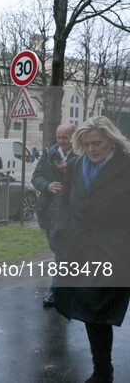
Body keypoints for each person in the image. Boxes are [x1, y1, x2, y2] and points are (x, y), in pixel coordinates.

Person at [52, 116, 130, 383]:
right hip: (80, 246)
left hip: (114, 248)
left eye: (97, 143)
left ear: (111, 140)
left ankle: (102, 370)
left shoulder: (126, 166)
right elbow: (65, 202)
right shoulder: (76, 164)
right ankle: (103, 369)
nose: (92, 149)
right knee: (89, 309)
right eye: (86, 145)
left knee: (98, 308)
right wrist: (61, 231)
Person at [31, 124, 76, 306]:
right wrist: (47, 185)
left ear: (73, 137)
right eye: (59, 137)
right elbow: (36, 176)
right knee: (58, 249)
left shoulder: (81, 156)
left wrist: (68, 172)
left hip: (70, 212)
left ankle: (56, 290)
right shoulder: (49, 154)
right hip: (49, 211)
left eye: (65, 137)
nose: (61, 141)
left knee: (62, 252)